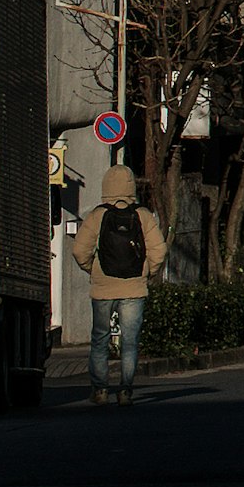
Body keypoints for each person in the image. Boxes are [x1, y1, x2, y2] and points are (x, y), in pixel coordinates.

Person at [70, 164, 167, 405]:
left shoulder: (97, 215)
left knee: (100, 339)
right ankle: (125, 390)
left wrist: (92, 268)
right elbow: (159, 249)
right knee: (130, 340)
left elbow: (80, 250)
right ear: (131, 186)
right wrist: (147, 272)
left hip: (103, 287)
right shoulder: (143, 215)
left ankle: (100, 390)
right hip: (134, 286)